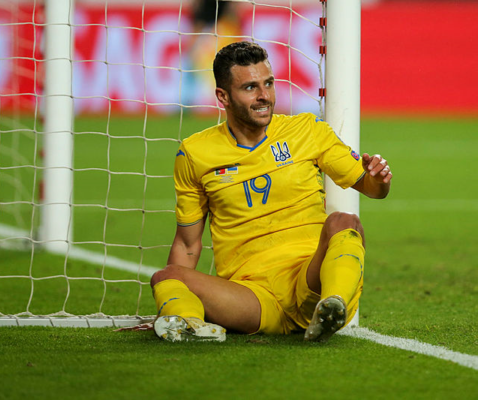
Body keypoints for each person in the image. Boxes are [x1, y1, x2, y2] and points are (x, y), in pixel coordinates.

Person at [151, 41, 392, 342]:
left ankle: (332, 307)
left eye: (268, 83)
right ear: (223, 96)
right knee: (165, 276)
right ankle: (187, 324)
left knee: (344, 221)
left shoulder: (307, 130)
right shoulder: (195, 153)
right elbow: (188, 244)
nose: (264, 95)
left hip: (310, 282)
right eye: (250, 87)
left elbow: (371, 188)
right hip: (251, 298)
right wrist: (175, 292)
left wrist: (379, 178)